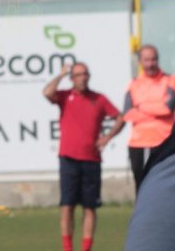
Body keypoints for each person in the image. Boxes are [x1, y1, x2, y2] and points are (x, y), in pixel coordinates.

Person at [43, 62, 125, 251]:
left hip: (91, 160)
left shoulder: (99, 99)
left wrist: (107, 137)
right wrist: (61, 75)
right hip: (68, 158)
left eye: (85, 74)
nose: (83, 78)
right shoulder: (65, 96)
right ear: (72, 78)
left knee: (90, 207)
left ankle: (86, 248)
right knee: (67, 206)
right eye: (79, 75)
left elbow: (120, 117)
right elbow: (47, 93)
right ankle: (67, 248)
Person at [123, 44, 175, 190]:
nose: (150, 64)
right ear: (140, 61)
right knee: (141, 184)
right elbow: (127, 113)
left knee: (164, 184)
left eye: (153, 59)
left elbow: (168, 108)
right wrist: (156, 107)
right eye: (146, 60)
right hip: (139, 142)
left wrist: (141, 107)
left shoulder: (170, 80)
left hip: (164, 140)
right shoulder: (134, 83)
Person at [124, 114, 175, 250]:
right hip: (144, 146)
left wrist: (143, 111)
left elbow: (166, 109)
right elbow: (128, 114)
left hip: (161, 144)